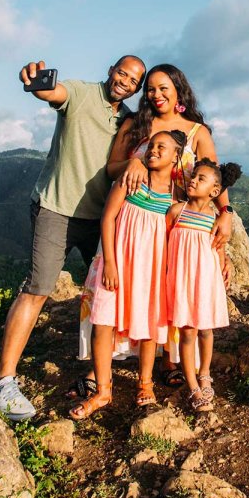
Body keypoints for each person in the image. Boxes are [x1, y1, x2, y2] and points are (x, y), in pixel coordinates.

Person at [0, 55, 145, 421]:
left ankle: (96, 370)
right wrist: (36, 83)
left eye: (134, 80)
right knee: (38, 288)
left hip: (100, 217)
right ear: (110, 70)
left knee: (108, 293)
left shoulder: (130, 121)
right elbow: (51, 93)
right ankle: (3, 381)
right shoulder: (80, 93)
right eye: (122, 73)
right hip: (55, 209)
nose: (125, 82)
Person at [68, 64, 234, 393]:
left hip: (174, 225)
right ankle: (102, 367)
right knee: (115, 293)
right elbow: (112, 167)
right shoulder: (136, 123)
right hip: (133, 219)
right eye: (151, 89)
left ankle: (169, 360)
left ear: (178, 90)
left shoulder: (197, 132)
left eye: (163, 88)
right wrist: (132, 161)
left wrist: (226, 211)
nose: (156, 95)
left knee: (160, 292)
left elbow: (212, 175)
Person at [71, 130, 187, 419]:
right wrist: (109, 262)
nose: (153, 150)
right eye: (151, 145)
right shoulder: (132, 179)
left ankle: (145, 383)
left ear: (176, 156)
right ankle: (103, 390)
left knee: (149, 326)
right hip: (118, 264)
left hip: (151, 270)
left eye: (163, 147)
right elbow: (108, 217)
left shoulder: (175, 193)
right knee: (103, 322)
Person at [166, 159, 242, 412]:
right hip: (181, 281)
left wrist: (225, 264)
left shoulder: (216, 218)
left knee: (206, 330)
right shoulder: (176, 211)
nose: (193, 180)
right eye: (194, 176)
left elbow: (218, 249)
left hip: (205, 281)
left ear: (214, 191)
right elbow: (164, 244)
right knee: (187, 332)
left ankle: (205, 373)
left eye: (201, 179)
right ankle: (192, 386)